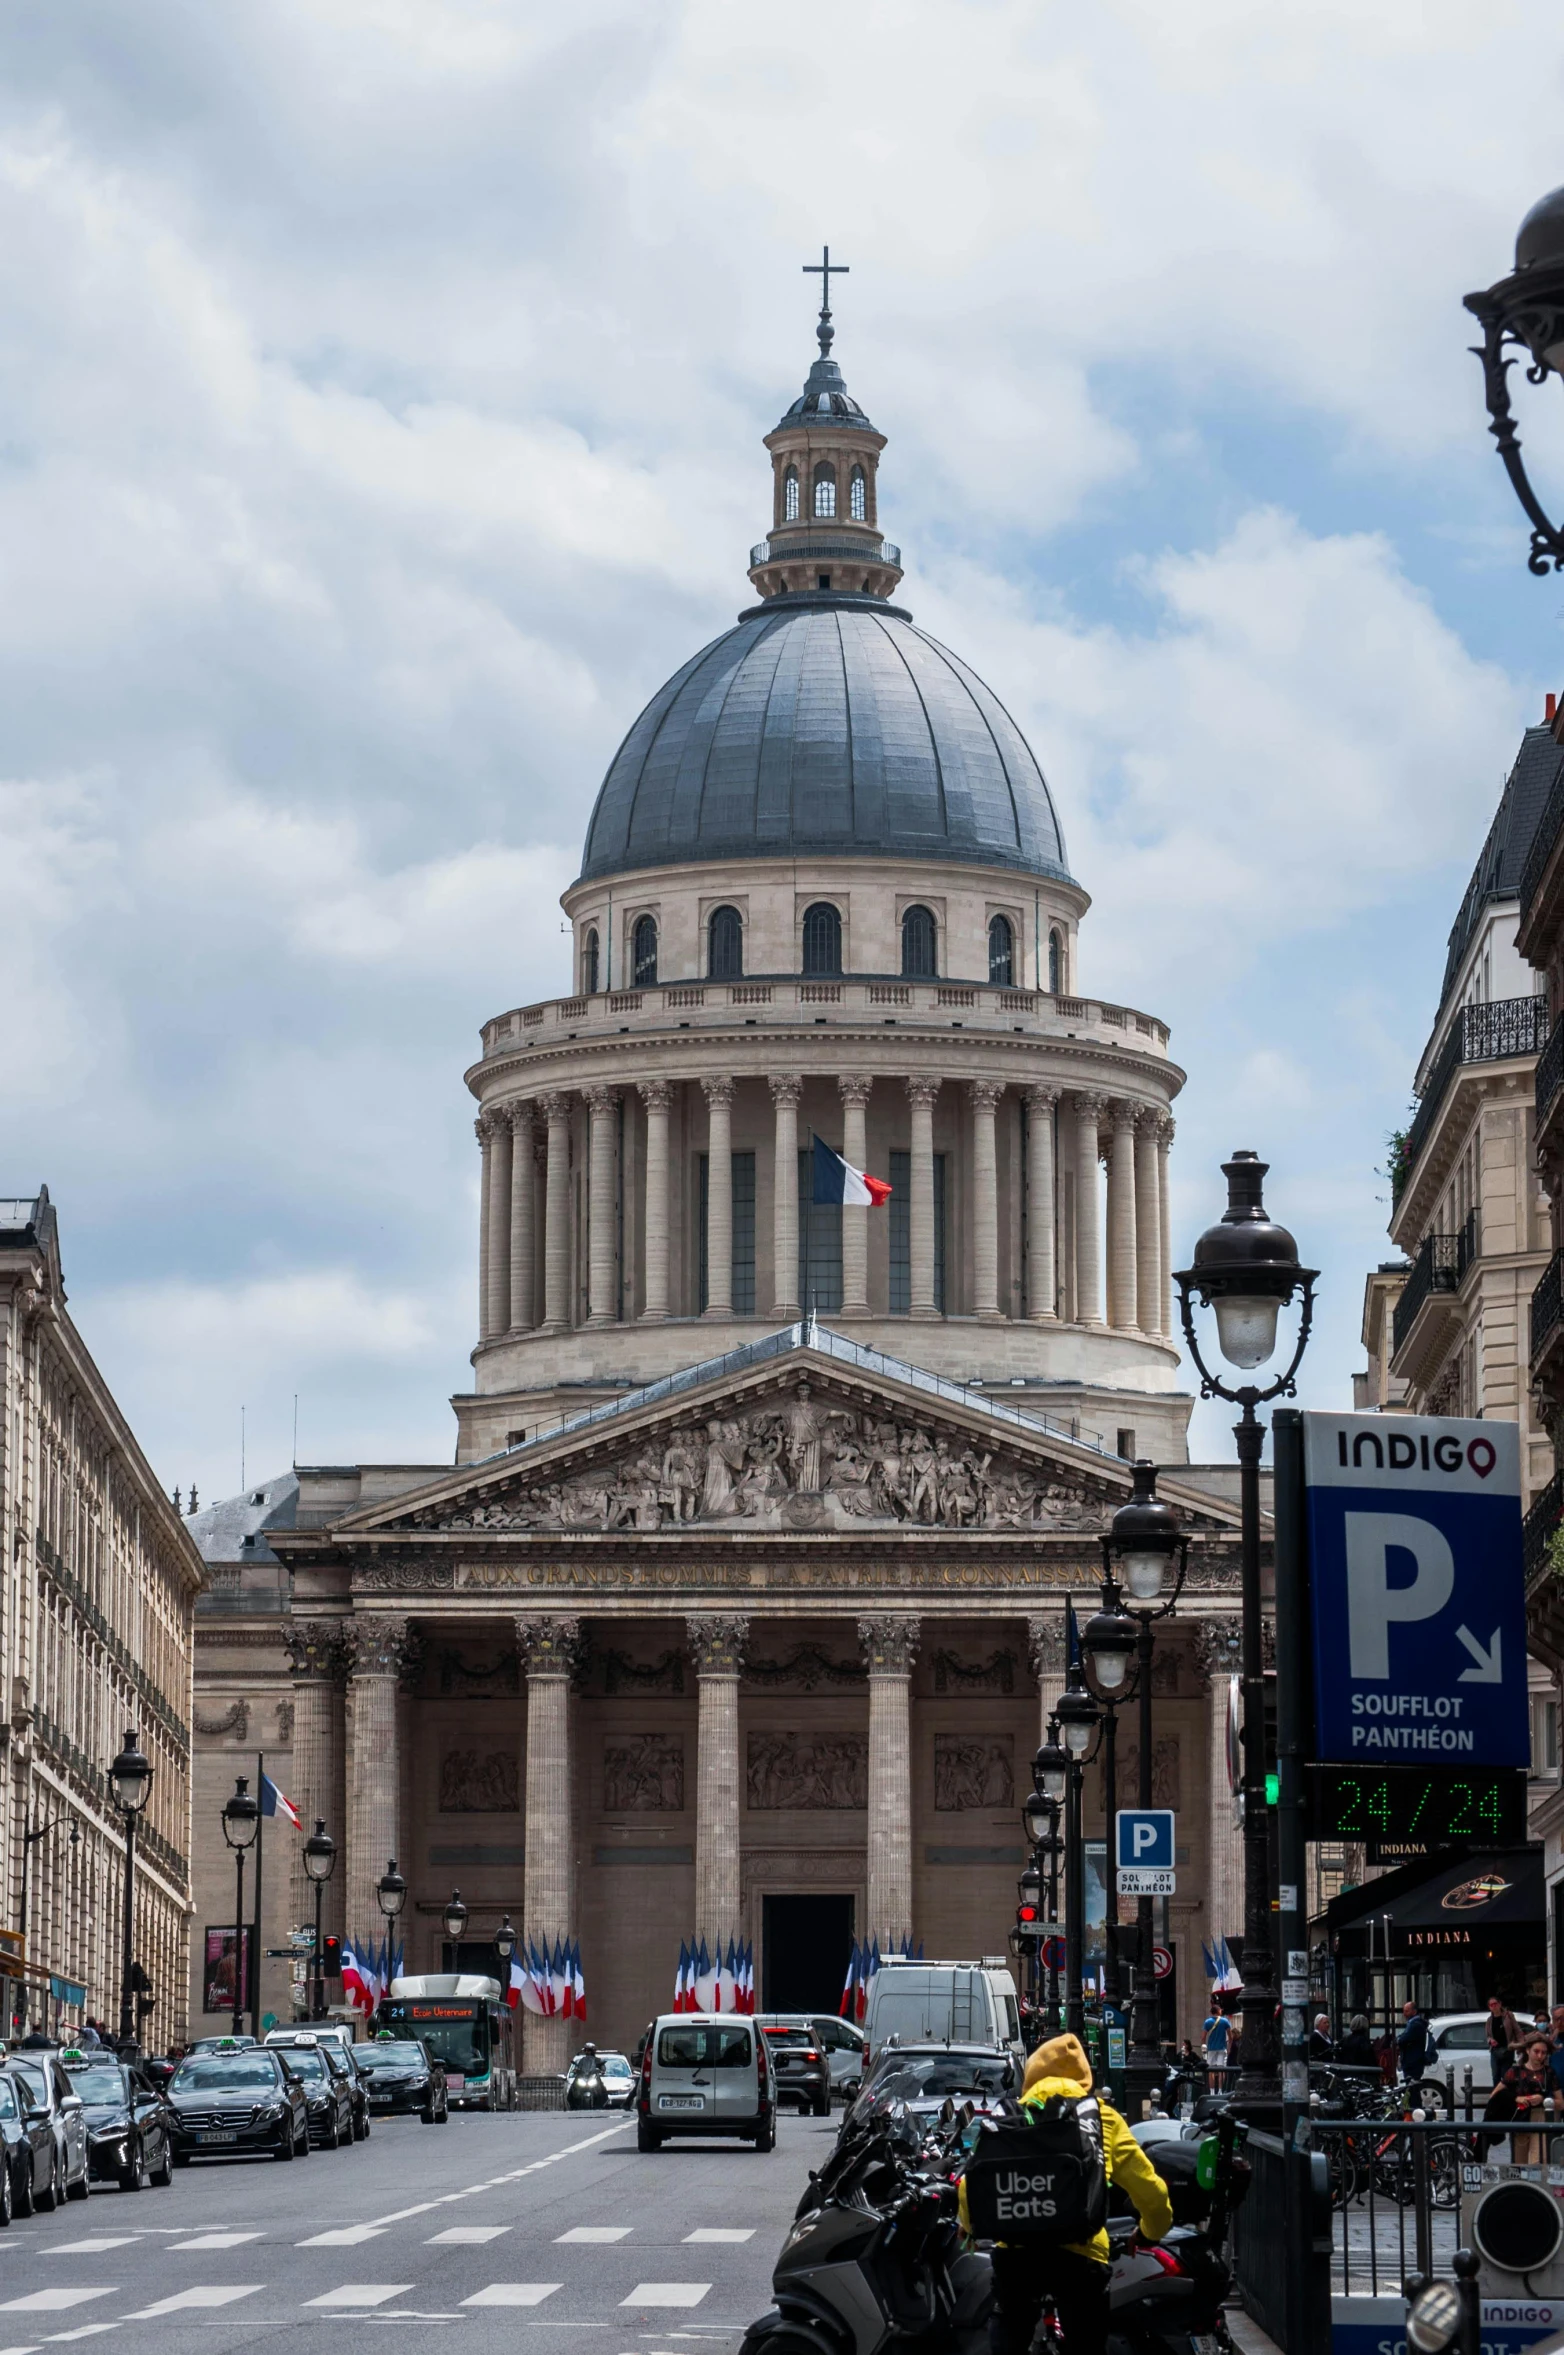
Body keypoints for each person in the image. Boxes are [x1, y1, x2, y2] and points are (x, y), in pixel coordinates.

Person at [959, 2031, 1172, 2355]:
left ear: (1031, 2075)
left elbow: (969, 2185)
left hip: (1017, 2257)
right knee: (1086, 2342)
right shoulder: (1100, 2117)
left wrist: (969, 2227)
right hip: (1082, 2259)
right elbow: (1150, 2190)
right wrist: (1150, 2232)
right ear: (1084, 2077)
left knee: (1009, 2328)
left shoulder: (1010, 2115)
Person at [1499, 2033, 1555, 2166]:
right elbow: (1496, 2095)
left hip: (1540, 2116)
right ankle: (1521, 2187)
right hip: (1519, 2117)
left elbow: (1561, 2102)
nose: (1540, 2056)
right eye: (1536, 2051)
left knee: (1538, 2161)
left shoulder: (1549, 2073)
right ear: (1527, 2050)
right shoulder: (1515, 2071)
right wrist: (1516, 2098)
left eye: (1544, 2053)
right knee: (1519, 2164)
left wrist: (1543, 2100)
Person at [1397, 1998, 1436, 2086]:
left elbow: (1403, 2039)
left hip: (1412, 2062)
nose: (1404, 2014)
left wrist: (1398, 2040)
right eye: (1404, 2011)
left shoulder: (1415, 2025)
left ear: (1414, 2012)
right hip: (1413, 2062)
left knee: (1412, 2089)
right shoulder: (1414, 2024)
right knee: (1413, 2089)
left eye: (1407, 2011)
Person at [1488, 1994, 1521, 2078]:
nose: (1494, 2007)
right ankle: (1496, 2091)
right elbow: (1488, 2036)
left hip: (1508, 2050)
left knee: (1505, 2075)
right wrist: (1490, 2040)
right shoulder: (1489, 2020)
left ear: (1500, 2004)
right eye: (1491, 2005)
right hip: (1495, 2051)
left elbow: (1517, 2031)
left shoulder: (1508, 2016)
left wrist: (1520, 2045)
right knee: (1495, 2075)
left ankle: (1504, 2091)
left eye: (1495, 2004)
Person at [1202, 1999, 1233, 2088]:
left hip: (1211, 2048)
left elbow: (1203, 2037)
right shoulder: (1225, 2021)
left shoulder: (1207, 2022)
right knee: (1221, 2070)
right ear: (1218, 2011)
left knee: (1211, 2070)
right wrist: (1229, 2048)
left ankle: (1212, 2091)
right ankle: (1220, 2090)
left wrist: (1204, 2049)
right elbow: (1230, 2037)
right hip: (1222, 2048)